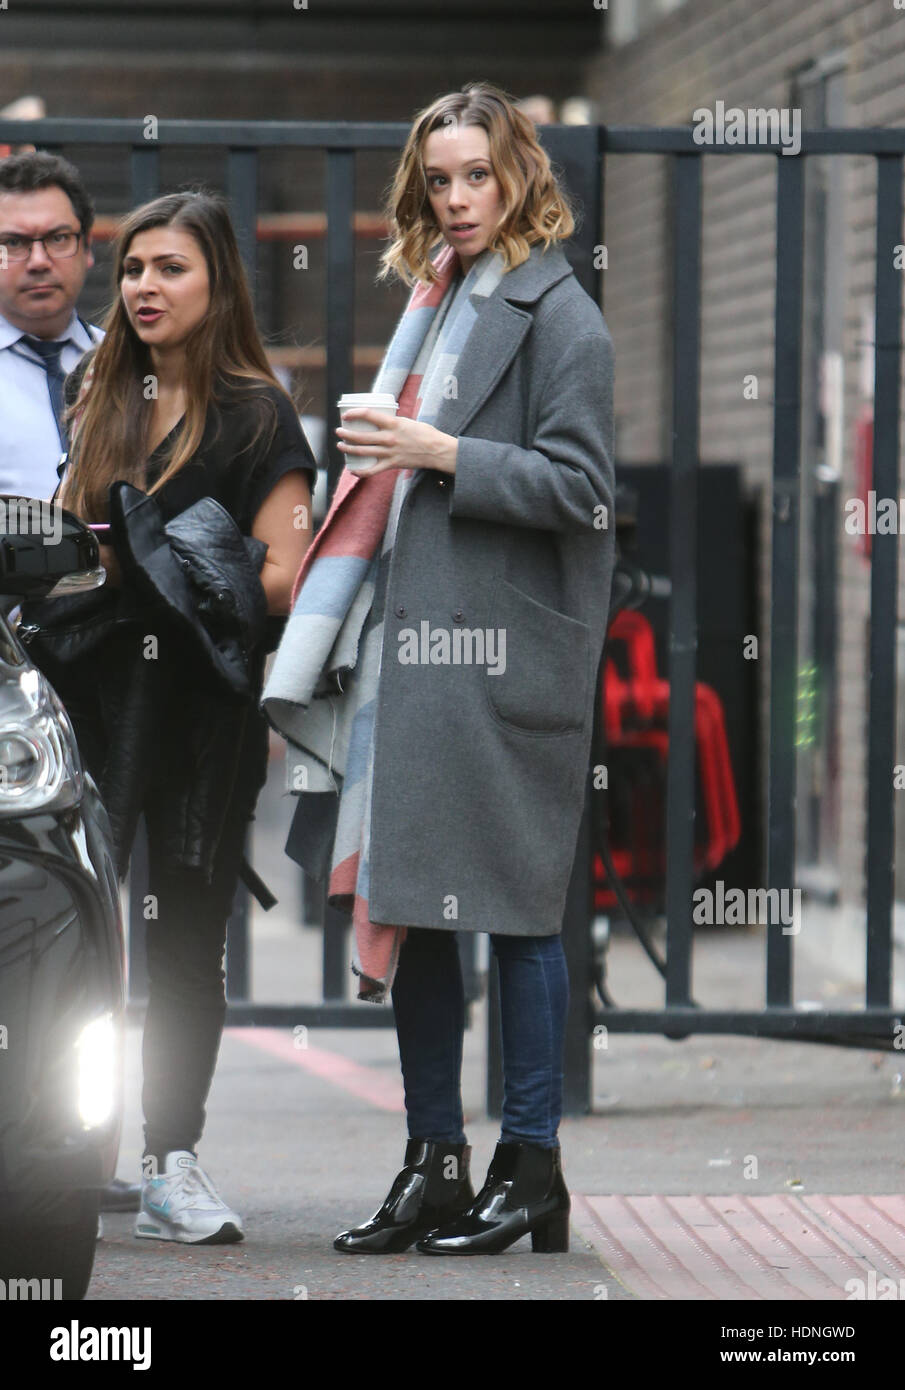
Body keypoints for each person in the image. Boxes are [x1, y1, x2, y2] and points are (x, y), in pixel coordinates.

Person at [263, 83, 615, 1256]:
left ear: (518, 176)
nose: (457, 200)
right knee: (409, 905)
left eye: (478, 176)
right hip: (415, 665)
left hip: (504, 664)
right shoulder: (439, 298)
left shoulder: (559, 315)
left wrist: (436, 449)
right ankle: (433, 1163)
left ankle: (532, 1167)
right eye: (439, 181)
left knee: (516, 919)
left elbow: (581, 490)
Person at [22, 190, 316, 1245]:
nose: (145, 286)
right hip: (96, 702)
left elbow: (286, 576)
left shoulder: (256, 414)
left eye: (171, 269)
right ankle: (57, 1147)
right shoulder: (104, 400)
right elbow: (70, 548)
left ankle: (170, 1162)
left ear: (217, 282)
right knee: (70, 933)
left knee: (186, 944)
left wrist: (179, 563)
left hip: (199, 713)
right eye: (135, 268)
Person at [0, 151, 102, 499]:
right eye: (13, 242)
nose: (39, 261)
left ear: (87, 247)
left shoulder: (129, 363)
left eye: (58, 238)